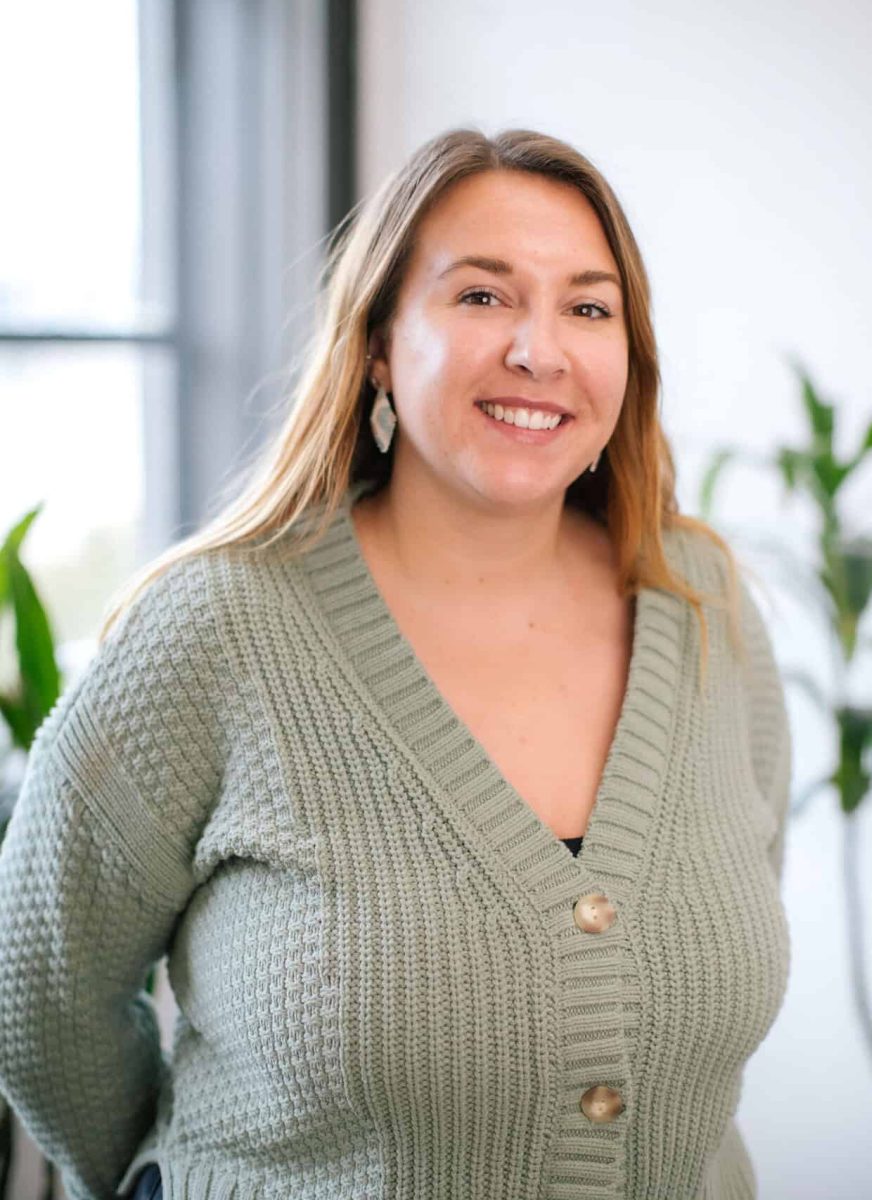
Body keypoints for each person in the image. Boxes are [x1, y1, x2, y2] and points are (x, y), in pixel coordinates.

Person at [0, 127, 792, 1200]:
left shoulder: (705, 607)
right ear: (376, 342)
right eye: (481, 297)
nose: (539, 350)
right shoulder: (215, 632)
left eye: (588, 307)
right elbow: (38, 989)